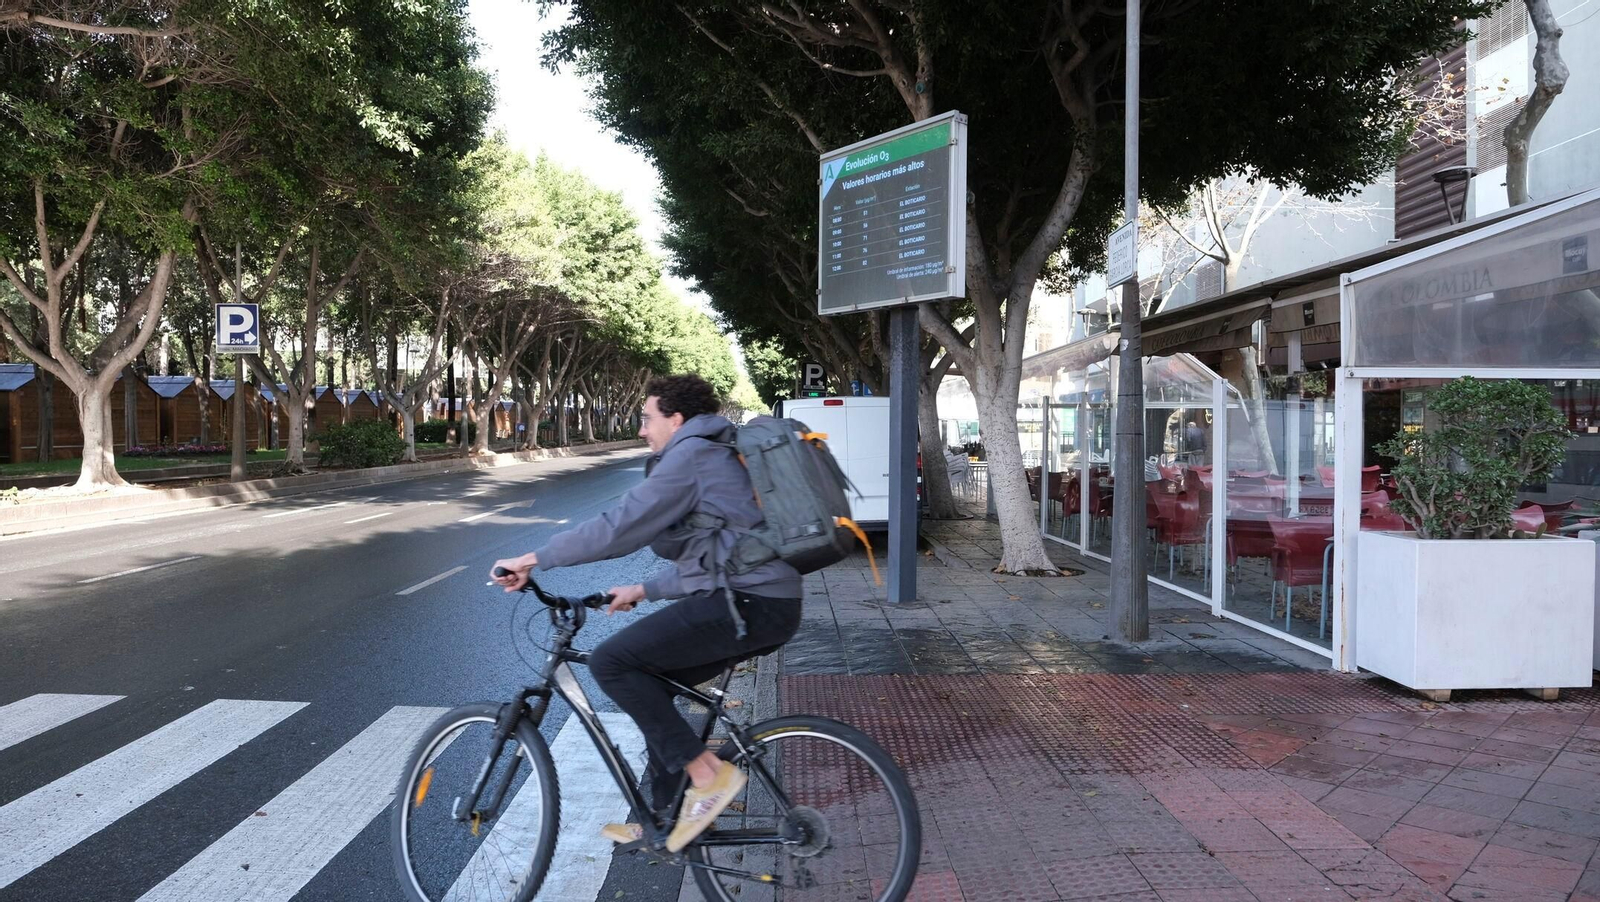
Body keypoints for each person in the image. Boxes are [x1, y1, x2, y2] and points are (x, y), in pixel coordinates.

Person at [491, 374, 801, 853]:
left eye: (646, 418)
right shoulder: (713, 450)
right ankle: (663, 817)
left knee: (611, 662)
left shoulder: (691, 454)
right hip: (764, 602)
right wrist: (644, 588)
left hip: (749, 603)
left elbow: (619, 527)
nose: (641, 430)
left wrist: (532, 559)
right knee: (651, 681)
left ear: (675, 419)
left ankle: (707, 774)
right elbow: (719, 557)